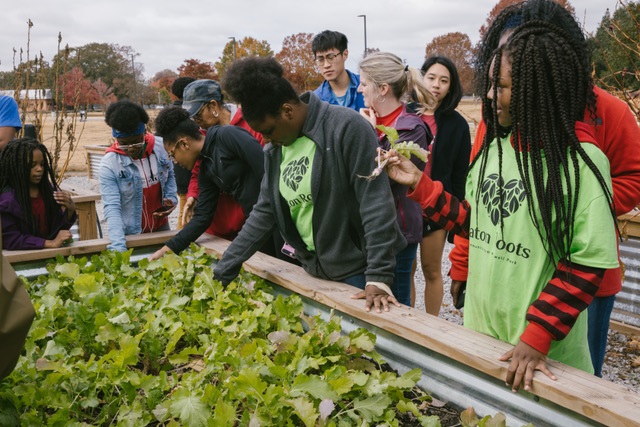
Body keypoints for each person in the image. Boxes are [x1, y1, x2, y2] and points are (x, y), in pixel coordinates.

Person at [382, 18, 618, 391]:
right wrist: (421, 186)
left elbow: (587, 263)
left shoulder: (582, 163)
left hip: (544, 360)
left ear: (537, 91)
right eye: (490, 84)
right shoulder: (493, 149)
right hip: (484, 337)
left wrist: (537, 336)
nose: (490, 96)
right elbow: (475, 224)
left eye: (502, 86)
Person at [447, 0, 640, 377]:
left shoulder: (608, 113)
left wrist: (566, 210)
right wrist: (462, 263)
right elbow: (485, 200)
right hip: (509, 269)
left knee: (577, 379)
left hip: (579, 278)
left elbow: (632, 179)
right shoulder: (499, 120)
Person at [213, 56, 406, 313]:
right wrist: (224, 269)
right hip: (314, 271)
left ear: (287, 111)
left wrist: (378, 277)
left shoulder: (347, 128)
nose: (267, 140)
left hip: (359, 274)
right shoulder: (276, 150)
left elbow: (376, 203)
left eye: (269, 130)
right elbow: (264, 211)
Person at [357, 51, 434, 306]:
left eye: (364, 83)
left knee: (397, 302)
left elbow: (380, 177)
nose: (359, 89)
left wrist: (367, 134)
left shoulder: (412, 129)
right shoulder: (372, 120)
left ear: (383, 89)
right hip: (373, 229)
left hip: (398, 231)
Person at [148, 106, 274, 260]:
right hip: (259, 223)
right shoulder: (206, 168)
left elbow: (268, 170)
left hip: (277, 215)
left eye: (172, 155)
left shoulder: (227, 135)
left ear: (184, 144)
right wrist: (167, 249)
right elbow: (202, 216)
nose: (176, 162)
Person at [408, 56, 471, 314]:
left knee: (431, 270)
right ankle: (408, 324)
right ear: (422, 78)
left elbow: (459, 174)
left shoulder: (456, 124)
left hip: (437, 205)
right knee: (407, 269)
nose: (436, 85)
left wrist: (456, 221)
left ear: (450, 86)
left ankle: (431, 327)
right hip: (407, 203)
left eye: (444, 81)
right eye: (431, 78)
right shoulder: (407, 114)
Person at [179, 79, 265, 227]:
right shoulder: (201, 135)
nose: (196, 121)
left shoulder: (250, 124)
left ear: (213, 105)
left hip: (250, 218)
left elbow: (263, 170)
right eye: (193, 117)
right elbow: (198, 172)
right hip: (218, 221)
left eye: (198, 115)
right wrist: (193, 195)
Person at [99, 100, 178, 251]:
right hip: (130, 234)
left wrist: (170, 198)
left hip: (161, 228)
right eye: (123, 144)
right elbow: (112, 207)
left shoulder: (161, 147)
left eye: (135, 143)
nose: (130, 149)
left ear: (144, 132)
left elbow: (170, 174)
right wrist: (118, 246)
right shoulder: (110, 164)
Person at [0, 138, 76, 249]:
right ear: (16, 167)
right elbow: (9, 239)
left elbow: (55, 230)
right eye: (32, 165)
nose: (39, 169)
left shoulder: (48, 192)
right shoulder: (7, 201)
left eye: (42, 164)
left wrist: (69, 212)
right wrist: (49, 243)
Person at [312, 30, 365, 111]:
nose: (326, 65)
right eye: (320, 59)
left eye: (331, 57)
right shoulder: (315, 101)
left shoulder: (366, 87)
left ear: (345, 54)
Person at [169, 76, 196, 229]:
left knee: (183, 209)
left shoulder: (168, 115)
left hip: (178, 172)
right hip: (192, 172)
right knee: (188, 213)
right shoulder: (191, 114)